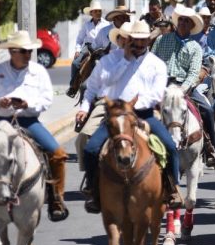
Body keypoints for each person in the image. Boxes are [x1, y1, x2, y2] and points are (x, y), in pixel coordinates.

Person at [0, 31, 69, 227]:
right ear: (12, 51)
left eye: (29, 51)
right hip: (0, 123)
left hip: (28, 122)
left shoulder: (38, 72)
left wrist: (28, 104)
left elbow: (46, 99)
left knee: (58, 154)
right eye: (24, 51)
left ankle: (56, 199)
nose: (28, 55)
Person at [78, 20, 183, 214]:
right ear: (128, 39)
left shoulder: (156, 64)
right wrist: (125, 61)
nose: (140, 44)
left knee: (170, 146)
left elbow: (157, 94)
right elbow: (97, 85)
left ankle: (172, 188)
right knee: (91, 149)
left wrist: (134, 105)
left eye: (144, 40)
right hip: (117, 114)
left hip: (144, 114)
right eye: (136, 40)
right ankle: (93, 189)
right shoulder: (110, 60)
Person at [151, 4, 215, 165]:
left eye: (186, 21)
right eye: (180, 19)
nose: (182, 23)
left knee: (207, 110)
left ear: (191, 25)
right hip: (163, 84)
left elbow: (194, 72)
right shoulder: (161, 40)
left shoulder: (195, 47)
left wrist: (183, 89)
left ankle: (211, 148)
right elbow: (151, 62)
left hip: (184, 86)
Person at [68, 1, 110, 96]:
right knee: (75, 63)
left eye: (99, 11)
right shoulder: (86, 25)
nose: (98, 13)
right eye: (95, 11)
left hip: (101, 48)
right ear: (91, 13)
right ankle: (73, 87)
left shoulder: (107, 24)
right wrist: (78, 50)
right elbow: (79, 39)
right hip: (88, 47)